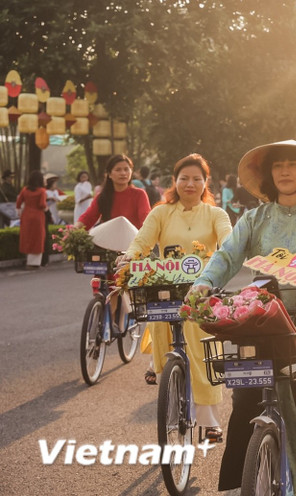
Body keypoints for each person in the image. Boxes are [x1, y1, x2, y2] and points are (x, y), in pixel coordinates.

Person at [191, 139, 296, 493]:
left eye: (293, 164)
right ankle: (250, 470)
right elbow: (227, 255)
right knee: (246, 395)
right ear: (269, 174)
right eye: (278, 166)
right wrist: (204, 283)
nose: (285, 171)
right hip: (261, 315)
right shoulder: (255, 217)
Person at [124, 154, 231, 437]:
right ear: (175, 181)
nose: (190, 184)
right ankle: (170, 392)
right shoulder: (160, 212)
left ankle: (209, 421)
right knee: (167, 342)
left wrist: (225, 266)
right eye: (184, 178)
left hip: (201, 294)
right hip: (167, 291)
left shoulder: (215, 214)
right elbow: (142, 241)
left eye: (197, 179)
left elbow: (227, 244)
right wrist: (129, 257)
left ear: (206, 182)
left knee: (201, 354)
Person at [77, 154, 151, 230]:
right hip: (108, 240)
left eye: (126, 169)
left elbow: (146, 220)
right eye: (118, 170)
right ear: (109, 174)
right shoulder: (102, 197)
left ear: (131, 172)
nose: (123, 173)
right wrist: (70, 233)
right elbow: (87, 219)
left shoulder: (139, 194)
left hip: (134, 240)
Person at [17, 170, 47, 268]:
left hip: (26, 215)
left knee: (28, 237)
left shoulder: (25, 190)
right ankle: (35, 263)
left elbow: (18, 202)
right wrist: (47, 208)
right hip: (38, 216)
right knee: (38, 238)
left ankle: (28, 260)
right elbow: (42, 204)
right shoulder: (42, 191)